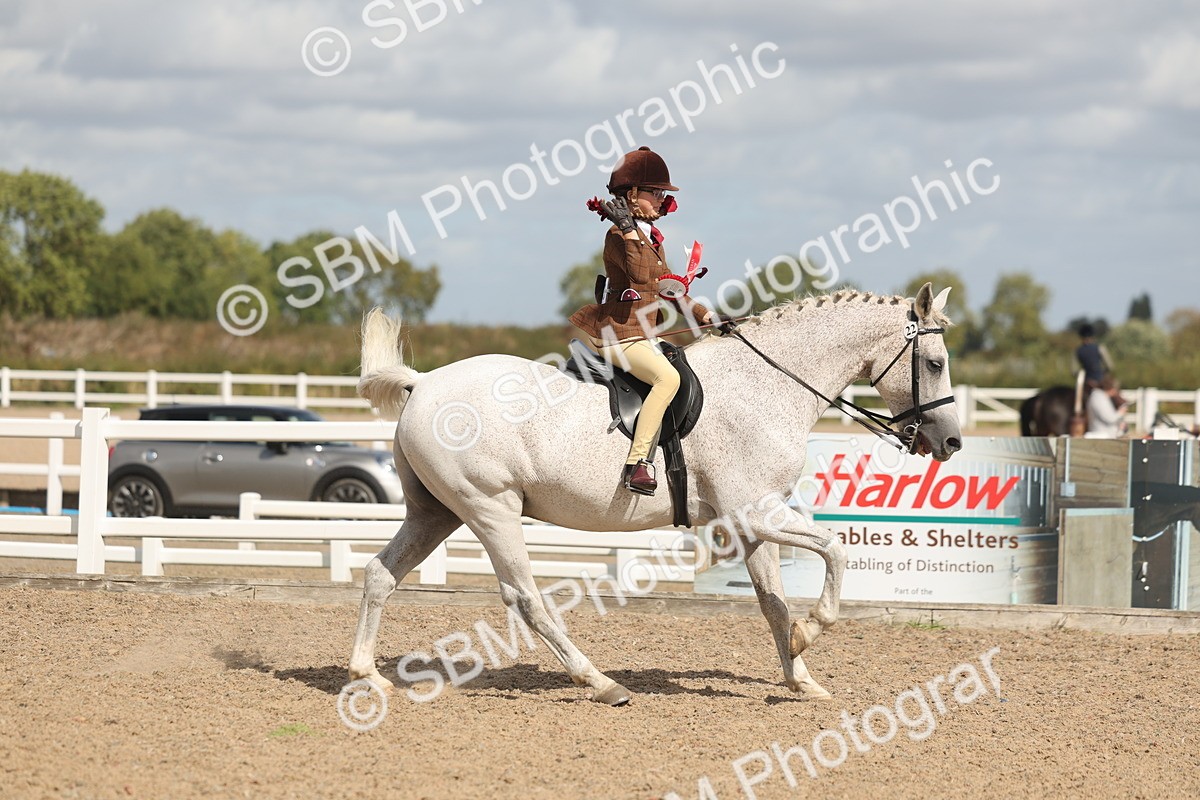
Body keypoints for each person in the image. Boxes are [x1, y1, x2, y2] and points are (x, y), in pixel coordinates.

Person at [568, 146, 733, 496]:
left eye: (662, 194)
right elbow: (641, 277)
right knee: (667, 379)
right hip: (620, 336)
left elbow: (669, 288)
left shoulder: (649, 238)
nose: (661, 200)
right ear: (632, 195)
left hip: (642, 334)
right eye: (655, 193)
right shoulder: (619, 237)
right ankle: (638, 463)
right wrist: (627, 230)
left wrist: (711, 317)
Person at [1075, 323, 1113, 389]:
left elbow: (1074, 371)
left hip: (1086, 382)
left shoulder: (1077, 351)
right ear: (1092, 336)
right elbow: (1110, 366)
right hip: (1100, 380)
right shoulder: (1100, 348)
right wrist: (1103, 374)